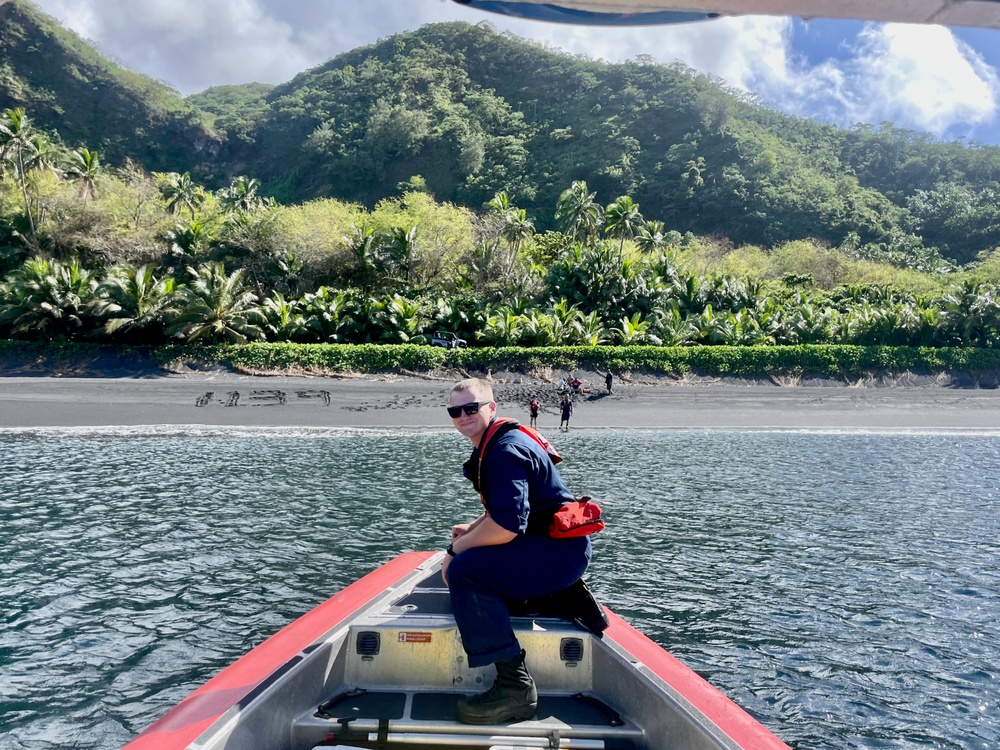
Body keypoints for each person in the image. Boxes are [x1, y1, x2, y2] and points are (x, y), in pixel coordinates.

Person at [443, 378, 591, 725]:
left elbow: (508, 526)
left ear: (491, 408)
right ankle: (534, 597)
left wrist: (455, 550)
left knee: (466, 570)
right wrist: (473, 528)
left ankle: (515, 688)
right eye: (455, 410)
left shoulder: (505, 451)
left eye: (471, 408)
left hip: (558, 554)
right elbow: (507, 508)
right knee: (472, 555)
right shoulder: (499, 441)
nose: (463, 416)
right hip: (552, 546)